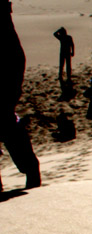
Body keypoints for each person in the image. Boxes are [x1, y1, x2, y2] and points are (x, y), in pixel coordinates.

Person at [1, 0, 40, 191]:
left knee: (7, 125)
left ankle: (31, 171)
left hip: (6, 83)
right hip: (9, 80)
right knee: (8, 126)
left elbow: (15, 59)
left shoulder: (5, 27)